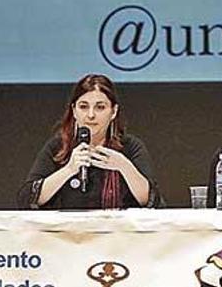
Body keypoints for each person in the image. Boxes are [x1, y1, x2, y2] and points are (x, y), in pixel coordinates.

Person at [17, 74, 162, 209]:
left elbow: (153, 202)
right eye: (83, 107)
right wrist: (69, 170)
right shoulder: (58, 147)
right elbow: (27, 199)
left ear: (113, 112)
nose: (91, 115)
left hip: (117, 234)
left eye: (100, 107)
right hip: (68, 234)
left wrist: (124, 167)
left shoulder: (130, 147)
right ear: (74, 111)